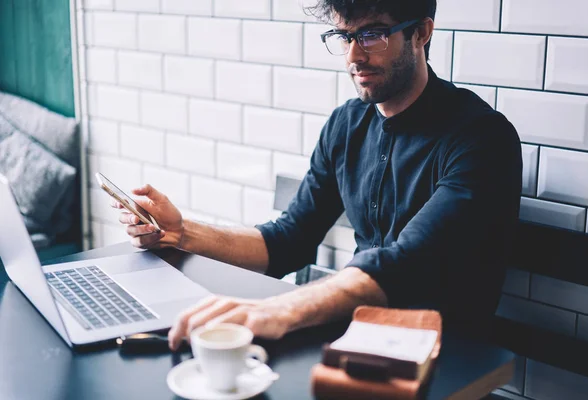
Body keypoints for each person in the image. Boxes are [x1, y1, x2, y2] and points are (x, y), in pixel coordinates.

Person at [113, 0, 522, 351]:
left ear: (421, 34)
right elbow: (289, 239)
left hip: (446, 354)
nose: (353, 57)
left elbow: (407, 265)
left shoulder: (481, 138)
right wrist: (181, 233)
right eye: (345, 37)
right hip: (357, 339)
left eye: (372, 35)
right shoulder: (346, 126)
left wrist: (281, 309)